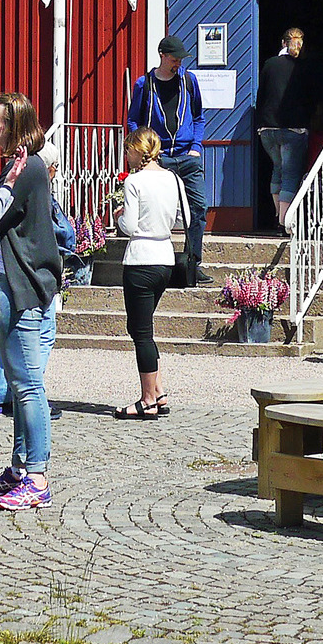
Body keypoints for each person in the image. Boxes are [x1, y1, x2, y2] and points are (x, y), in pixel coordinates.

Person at [0, 92, 62, 511]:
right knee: (17, 382)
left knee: (27, 385)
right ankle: (19, 469)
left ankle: (38, 478)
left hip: (21, 286)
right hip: (5, 283)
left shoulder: (26, 169)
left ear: (14, 126)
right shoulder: (14, 166)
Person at [112, 128, 185, 421]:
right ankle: (158, 389)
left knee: (140, 331)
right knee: (144, 328)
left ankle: (147, 399)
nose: (126, 156)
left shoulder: (135, 181)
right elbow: (182, 217)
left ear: (137, 151)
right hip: (165, 257)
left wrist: (118, 215)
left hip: (141, 258)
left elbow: (128, 226)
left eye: (128, 150)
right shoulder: (172, 178)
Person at [128, 37, 207, 285]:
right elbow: (133, 121)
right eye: (174, 59)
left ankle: (193, 263)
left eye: (180, 60)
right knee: (156, 210)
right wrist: (145, 151)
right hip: (159, 158)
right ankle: (159, 263)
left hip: (187, 156)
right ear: (162, 55)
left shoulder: (188, 81)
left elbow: (198, 117)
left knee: (198, 208)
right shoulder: (145, 84)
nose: (178, 64)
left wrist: (195, 147)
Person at [255, 27, 319, 230]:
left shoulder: (269, 64)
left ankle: (277, 215)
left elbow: (261, 95)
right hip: (293, 129)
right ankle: (285, 222)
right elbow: (310, 99)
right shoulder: (303, 67)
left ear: (283, 43)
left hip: (267, 128)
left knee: (278, 169)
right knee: (291, 174)